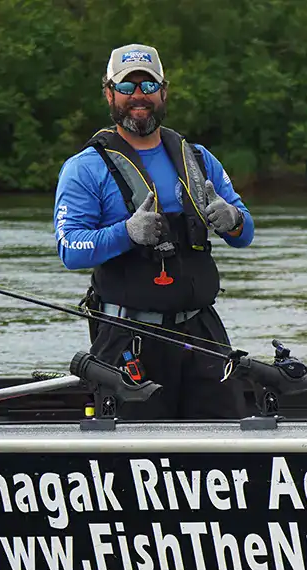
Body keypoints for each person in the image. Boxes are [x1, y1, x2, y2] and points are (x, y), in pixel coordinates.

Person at [53, 43, 254, 420]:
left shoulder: (199, 159)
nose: (138, 96)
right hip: (127, 341)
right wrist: (126, 233)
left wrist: (234, 219)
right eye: (126, 87)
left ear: (164, 92)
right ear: (109, 93)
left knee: (226, 440)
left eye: (148, 86)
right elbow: (70, 250)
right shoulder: (84, 168)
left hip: (202, 334)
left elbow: (245, 233)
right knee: (140, 449)